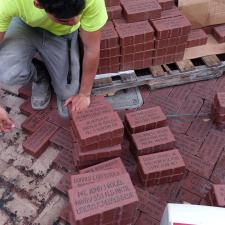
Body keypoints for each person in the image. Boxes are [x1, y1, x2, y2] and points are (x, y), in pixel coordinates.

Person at [0, 0, 108, 118]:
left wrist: (84, 94)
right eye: (65, 19)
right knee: (7, 72)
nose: (75, 21)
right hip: (25, 25)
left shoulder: (93, 1)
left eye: (78, 13)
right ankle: (39, 73)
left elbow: (91, 48)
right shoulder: (9, 2)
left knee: (67, 93)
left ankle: (57, 54)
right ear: (38, 4)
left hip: (61, 34)